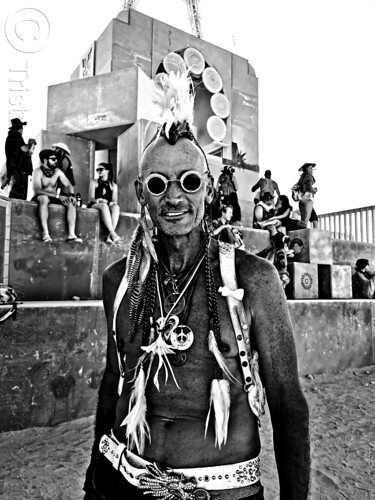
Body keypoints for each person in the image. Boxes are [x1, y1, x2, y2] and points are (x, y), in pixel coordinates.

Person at [84, 71, 310, 500]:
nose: (173, 197)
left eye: (189, 181)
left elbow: (286, 401)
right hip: (119, 482)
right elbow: (114, 378)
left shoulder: (253, 280)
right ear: (140, 193)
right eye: (157, 184)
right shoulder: (119, 280)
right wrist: (94, 481)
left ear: (207, 187)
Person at [32, 149, 82, 243]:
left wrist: (71, 195)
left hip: (54, 197)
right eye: (53, 159)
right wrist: (58, 196)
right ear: (45, 160)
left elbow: (68, 185)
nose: (56, 161)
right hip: (41, 196)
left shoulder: (57, 171)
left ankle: (71, 235)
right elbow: (37, 190)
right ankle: (45, 233)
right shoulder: (37, 171)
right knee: (44, 199)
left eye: (56, 159)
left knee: (71, 202)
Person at [88, 162, 121, 244]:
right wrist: (99, 200)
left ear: (107, 171)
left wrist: (110, 203)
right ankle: (113, 234)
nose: (99, 171)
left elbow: (114, 201)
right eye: (97, 170)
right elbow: (91, 199)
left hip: (106, 204)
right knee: (104, 206)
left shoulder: (113, 186)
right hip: (95, 204)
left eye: (101, 169)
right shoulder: (94, 182)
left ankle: (110, 235)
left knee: (116, 207)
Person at [4, 118, 35, 199]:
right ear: (20, 128)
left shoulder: (13, 136)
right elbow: (24, 149)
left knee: (18, 192)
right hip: (18, 172)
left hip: (18, 171)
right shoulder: (14, 136)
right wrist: (30, 143)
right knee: (17, 193)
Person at [295, 163, 317, 227]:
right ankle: (303, 235)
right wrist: (314, 190)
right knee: (306, 219)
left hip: (301, 199)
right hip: (308, 199)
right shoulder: (309, 176)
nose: (312, 170)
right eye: (311, 168)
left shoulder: (302, 177)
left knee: (309, 218)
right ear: (307, 168)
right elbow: (309, 187)